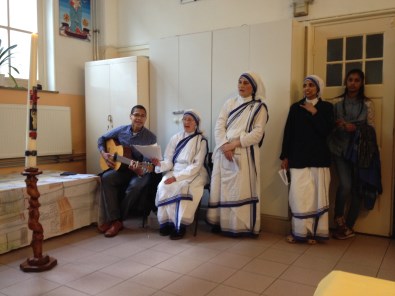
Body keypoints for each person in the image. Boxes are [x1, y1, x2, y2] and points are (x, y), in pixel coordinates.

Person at [206, 71, 268, 237]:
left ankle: (240, 226)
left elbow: (257, 133)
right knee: (221, 189)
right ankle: (221, 223)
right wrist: (225, 145)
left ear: (253, 87)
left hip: (245, 153)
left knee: (241, 189)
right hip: (224, 151)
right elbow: (219, 126)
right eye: (240, 82)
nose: (241, 85)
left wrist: (234, 144)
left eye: (246, 83)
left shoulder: (259, 107)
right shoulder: (230, 103)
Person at [280, 75, 334, 244]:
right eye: (305, 85)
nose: (307, 88)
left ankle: (316, 233)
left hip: (319, 159)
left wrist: (314, 112)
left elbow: (327, 131)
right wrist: (285, 156)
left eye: (311, 85)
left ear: (318, 88)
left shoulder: (326, 108)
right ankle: (300, 232)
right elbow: (289, 133)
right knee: (299, 196)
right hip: (298, 158)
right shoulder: (296, 108)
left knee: (317, 196)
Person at [330, 69, 381, 240]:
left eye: (357, 80)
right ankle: (338, 220)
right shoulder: (336, 102)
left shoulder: (367, 104)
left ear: (361, 83)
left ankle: (348, 227)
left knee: (358, 188)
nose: (353, 83)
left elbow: (372, 129)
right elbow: (327, 126)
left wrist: (356, 128)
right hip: (339, 149)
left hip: (360, 151)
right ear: (346, 81)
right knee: (345, 185)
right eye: (350, 79)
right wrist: (338, 125)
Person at [97, 105, 157, 237]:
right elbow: (101, 139)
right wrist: (104, 154)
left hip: (140, 171)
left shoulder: (151, 137)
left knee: (135, 186)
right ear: (131, 117)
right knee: (106, 178)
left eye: (142, 116)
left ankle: (118, 221)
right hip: (122, 169)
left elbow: (147, 165)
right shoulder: (121, 130)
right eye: (136, 115)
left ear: (145, 119)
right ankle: (114, 219)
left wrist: (140, 169)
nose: (139, 118)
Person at [151, 109, 209, 240]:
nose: (186, 122)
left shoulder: (201, 141)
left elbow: (196, 165)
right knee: (163, 186)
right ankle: (166, 223)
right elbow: (168, 160)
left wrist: (176, 178)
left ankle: (180, 226)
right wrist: (160, 164)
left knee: (183, 188)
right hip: (175, 169)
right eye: (185, 119)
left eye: (190, 120)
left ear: (196, 123)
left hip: (194, 173)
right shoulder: (175, 138)